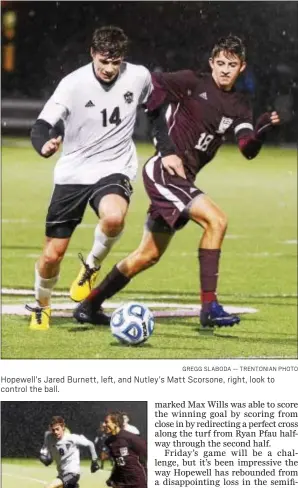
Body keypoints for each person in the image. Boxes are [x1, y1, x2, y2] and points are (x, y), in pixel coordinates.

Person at [74, 35, 281, 329]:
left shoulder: (240, 104)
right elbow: (151, 85)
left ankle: (89, 305)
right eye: (219, 63)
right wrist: (166, 147)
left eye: (231, 65)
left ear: (241, 67)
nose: (224, 69)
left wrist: (259, 133)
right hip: (164, 172)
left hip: (183, 180)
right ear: (211, 63)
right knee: (217, 221)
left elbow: (247, 148)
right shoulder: (192, 82)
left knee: (148, 255)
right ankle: (209, 306)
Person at [25, 26, 159, 330]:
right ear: (92, 54)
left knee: (114, 218)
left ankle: (91, 267)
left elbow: (156, 107)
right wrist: (44, 145)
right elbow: (41, 126)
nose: (110, 69)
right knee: (52, 255)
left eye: (115, 62)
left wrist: (164, 140)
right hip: (73, 172)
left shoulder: (139, 76)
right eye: (103, 62)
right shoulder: (73, 84)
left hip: (114, 166)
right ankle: (41, 304)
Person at [38, 415, 107, 488]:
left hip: (73, 473)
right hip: (62, 473)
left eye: (58, 429)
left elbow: (90, 444)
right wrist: (44, 456)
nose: (55, 432)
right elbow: (45, 449)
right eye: (53, 429)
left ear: (63, 427)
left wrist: (94, 461)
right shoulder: (48, 436)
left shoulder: (72, 438)